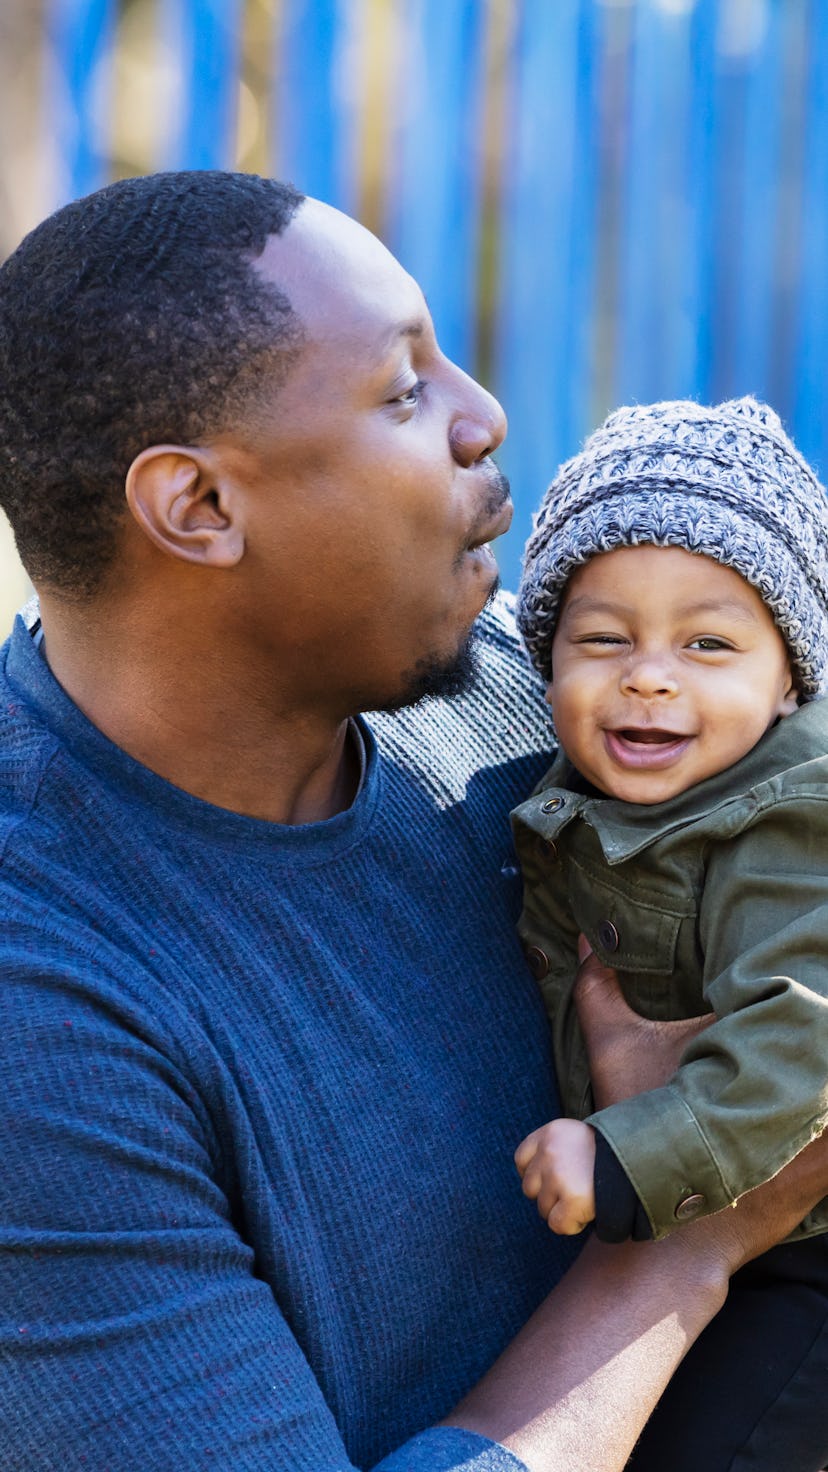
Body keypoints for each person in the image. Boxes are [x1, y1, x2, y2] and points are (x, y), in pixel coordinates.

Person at [0, 175, 824, 1472]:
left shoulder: (515, 695)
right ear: (199, 508)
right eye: (404, 389)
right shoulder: (48, 1018)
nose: (483, 416)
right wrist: (690, 1239)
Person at [511, 396, 828, 1470]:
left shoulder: (789, 820)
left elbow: (807, 1039)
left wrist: (623, 1154)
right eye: (604, 638)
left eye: (708, 641)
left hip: (805, 1251)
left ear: (789, 675)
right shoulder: (584, 792)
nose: (650, 673)